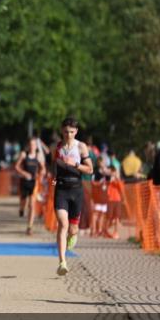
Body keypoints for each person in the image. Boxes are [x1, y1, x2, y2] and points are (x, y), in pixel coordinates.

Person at [51, 117, 93, 275]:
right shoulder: (57, 147)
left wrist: (75, 164)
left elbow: (90, 170)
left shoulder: (81, 147)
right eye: (66, 131)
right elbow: (54, 169)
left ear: (76, 132)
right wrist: (53, 183)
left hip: (76, 189)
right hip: (61, 189)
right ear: (62, 131)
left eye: (71, 132)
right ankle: (62, 262)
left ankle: (73, 235)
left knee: (73, 228)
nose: (68, 135)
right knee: (63, 224)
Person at [14, 136, 45, 235]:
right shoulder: (24, 154)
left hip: (34, 182)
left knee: (32, 205)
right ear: (28, 145)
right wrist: (24, 173)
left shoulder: (38, 156)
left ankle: (29, 227)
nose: (32, 146)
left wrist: (40, 174)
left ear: (36, 146)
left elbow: (43, 169)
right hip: (24, 182)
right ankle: (21, 209)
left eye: (34, 145)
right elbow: (16, 167)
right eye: (31, 145)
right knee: (23, 202)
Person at [90, 156, 111, 237]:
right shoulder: (96, 172)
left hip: (104, 195)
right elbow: (93, 182)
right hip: (97, 195)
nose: (103, 164)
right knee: (95, 213)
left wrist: (106, 173)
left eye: (104, 162)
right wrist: (99, 183)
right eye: (101, 162)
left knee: (102, 213)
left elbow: (109, 181)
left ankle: (100, 230)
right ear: (99, 163)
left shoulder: (106, 172)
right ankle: (94, 230)